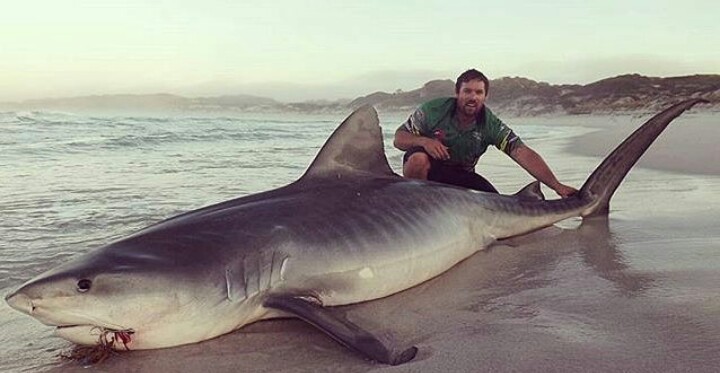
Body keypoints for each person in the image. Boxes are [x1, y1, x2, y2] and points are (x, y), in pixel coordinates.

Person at [393, 69, 577, 198]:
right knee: (417, 158)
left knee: (497, 205)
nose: (473, 97)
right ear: (457, 93)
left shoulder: (490, 124)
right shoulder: (433, 110)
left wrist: (556, 186)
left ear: (485, 96)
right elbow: (398, 139)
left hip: (461, 176)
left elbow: (521, 152)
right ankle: (416, 206)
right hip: (430, 171)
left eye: (479, 92)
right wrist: (425, 141)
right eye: (467, 91)